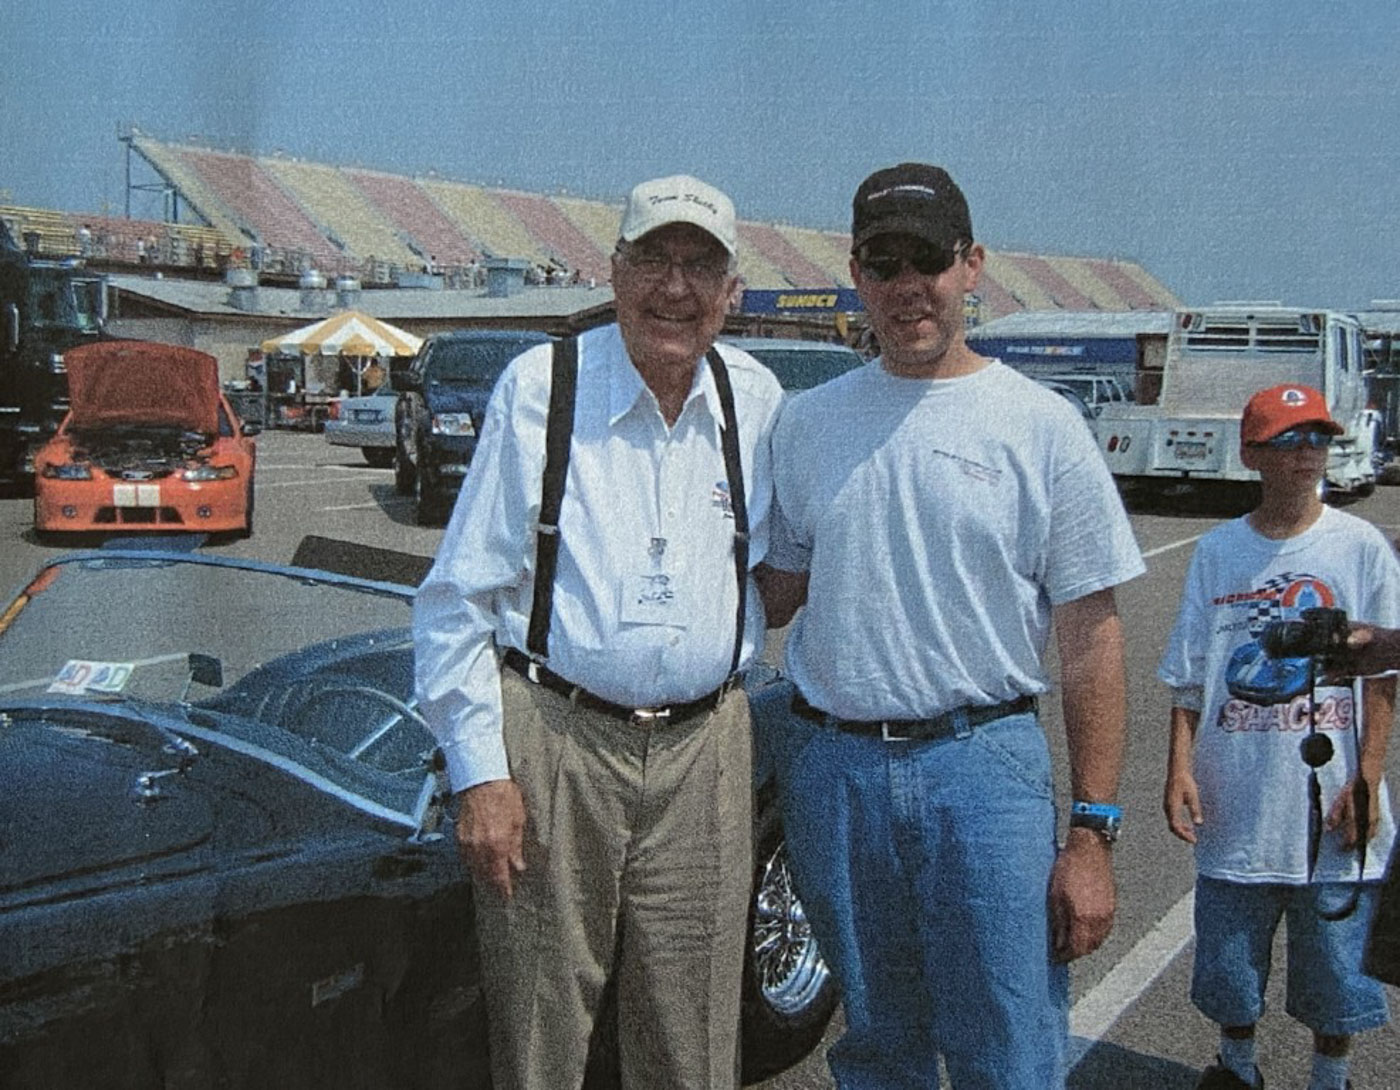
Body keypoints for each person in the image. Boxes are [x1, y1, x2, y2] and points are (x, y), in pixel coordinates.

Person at [754, 162, 1144, 1088]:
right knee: (877, 1044)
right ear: (857, 275)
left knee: (1008, 1048)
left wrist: (1092, 834)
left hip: (983, 771)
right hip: (835, 773)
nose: (907, 287)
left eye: (927, 261)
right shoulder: (807, 423)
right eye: (883, 264)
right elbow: (775, 593)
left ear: (971, 265)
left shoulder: (1041, 425)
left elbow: (1093, 642)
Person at [414, 174, 784, 1090]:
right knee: (541, 1035)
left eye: (701, 266)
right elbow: (456, 598)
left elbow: (783, 568)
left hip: (705, 750)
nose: (675, 287)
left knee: (693, 1041)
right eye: (653, 259)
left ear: (732, 292)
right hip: (556, 742)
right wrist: (481, 774)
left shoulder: (756, 400)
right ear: (614, 271)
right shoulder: (543, 389)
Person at [1159, 383, 1400, 1090]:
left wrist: (1367, 779)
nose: (1307, 454)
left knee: (1336, 965)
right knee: (1230, 965)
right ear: (1251, 454)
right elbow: (1189, 674)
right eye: (1289, 440)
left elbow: (1384, 676)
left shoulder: (1359, 546)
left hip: (1332, 798)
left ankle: (1330, 1076)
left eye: (1318, 438)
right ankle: (1237, 1068)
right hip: (1238, 797)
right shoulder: (1218, 552)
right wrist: (1178, 769)